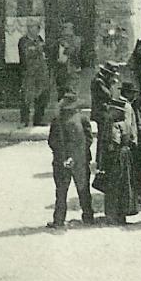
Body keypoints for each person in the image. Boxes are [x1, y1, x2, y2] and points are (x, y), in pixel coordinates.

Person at [47, 93, 95, 228]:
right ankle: (88, 217)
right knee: (83, 189)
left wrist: (63, 157)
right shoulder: (83, 119)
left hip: (61, 161)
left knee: (61, 192)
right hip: (80, 160)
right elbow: (88, 139)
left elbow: (52, 141)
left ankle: (59, 220)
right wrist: (78, 156)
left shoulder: (57, 120)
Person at [98, 102, 138, 225]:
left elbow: (113, 144)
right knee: (125, 185)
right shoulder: (126, 124)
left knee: (113, 185)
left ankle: (112, 215)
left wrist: (105, 160)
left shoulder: (114, 126)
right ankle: (123, 214)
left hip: (116, 157)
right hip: (126, 155)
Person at [19, 22, 51, 126]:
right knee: (27, 96)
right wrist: (38, 49)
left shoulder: (40, 39)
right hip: (29, 72)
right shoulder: (23, 41)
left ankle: (38, 119)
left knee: (41, 96)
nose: (36, 31)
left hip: (41, 72)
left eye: (37, 28)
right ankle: (25, 120)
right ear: (29, 29)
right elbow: (26, 54)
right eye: (33, 28)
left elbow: (44, 53)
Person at [50, 21, 82, 96]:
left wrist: (67, 47)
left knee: (72, 88)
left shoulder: (76, 40)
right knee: (61, 88)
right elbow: (53, 52)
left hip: (72, 67)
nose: (65, 32)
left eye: (66, 28)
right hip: (60, 68)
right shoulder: (58, 41)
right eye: (63, 29)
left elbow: (74, 50)